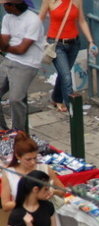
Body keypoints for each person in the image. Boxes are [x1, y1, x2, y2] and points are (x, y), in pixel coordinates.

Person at [39, 0, 98, 112]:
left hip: (74, 44)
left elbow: (82, 21)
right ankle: (73, 109)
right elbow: (39, 19)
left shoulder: (77, 1)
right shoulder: (49, 1)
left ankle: (56, 98)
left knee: (63, 74)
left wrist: (91, 41)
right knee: (66, 76)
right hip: (57, 45)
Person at [0, 0, 45, 131]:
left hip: (27, 63)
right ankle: (3, 129)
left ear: (13, 5)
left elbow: (21, 49)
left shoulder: (33, 20)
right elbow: (4, 44)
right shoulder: (7, 17)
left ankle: (19, 133)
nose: (4, 7)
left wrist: (5, 48)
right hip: (9, 59)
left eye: (6, 5)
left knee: (15, 99)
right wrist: (5, 46)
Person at [2, 131, 65, 213]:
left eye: (35, 158)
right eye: (28, 159)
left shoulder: (44, 168)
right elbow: (5, 205)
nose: (33, 162)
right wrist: (29, 200)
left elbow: (63, 191)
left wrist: (53, 192)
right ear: (18, 156)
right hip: (23, 219)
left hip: (46, 217)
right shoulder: (9, 173)